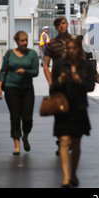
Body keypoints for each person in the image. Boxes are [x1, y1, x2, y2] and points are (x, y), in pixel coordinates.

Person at [51, 36, 96, 187]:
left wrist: (79, 81)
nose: (71, 51)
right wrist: (62, 80)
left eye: (74, 48)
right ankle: (66, 176)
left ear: (79, 49)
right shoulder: (59, 65)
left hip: (79, 107)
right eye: (68, 48)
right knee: (63, 141)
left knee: (76, 143)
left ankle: (74, 173)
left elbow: (90, 87)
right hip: (63, 108)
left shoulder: (86, 66)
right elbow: (53, 88)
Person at [0, 31, 39, 155]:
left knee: (27, 118)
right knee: (15, 117)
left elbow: (36, 72)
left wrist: (25, 71)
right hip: (11, 88)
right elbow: (3, 71)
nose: (25, 43)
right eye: (22, 40)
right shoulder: (10, 53)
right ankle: (16, 145)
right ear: (16, 41)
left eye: (26, 40)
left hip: (27, 89)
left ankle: (25, 137)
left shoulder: (32, 54)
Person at [43, 16, 71, 155]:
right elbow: (46, 65)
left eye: (64, 23)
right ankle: (61, 142)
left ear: (67, 24)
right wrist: (50, 82)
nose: (62, 26)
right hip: (57, 85)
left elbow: (82, 60)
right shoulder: (52, 44)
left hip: (72, 86)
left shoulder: (74, 42)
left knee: (72, 114)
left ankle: (68, 140)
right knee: (59, 115)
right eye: (59, 24)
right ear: (56, 27)